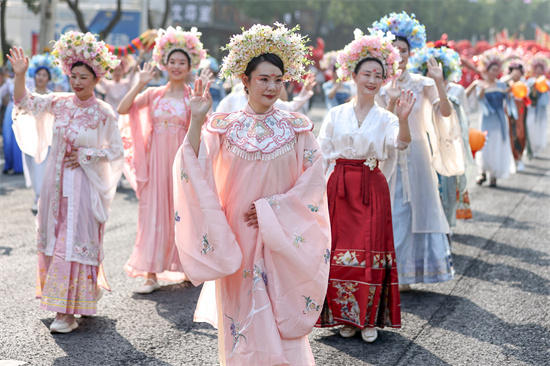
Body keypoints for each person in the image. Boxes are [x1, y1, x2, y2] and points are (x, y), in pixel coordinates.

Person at [172, 23, 330, 365]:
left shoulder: (297, 128)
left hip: (282, 236)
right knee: (243, 316)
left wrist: (275, 209)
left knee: (277, 312)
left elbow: (314, 181)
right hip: (238, 236)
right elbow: (195, 164)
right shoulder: (224, 127)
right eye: (263, 79)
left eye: (278, 79)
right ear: (245, 80)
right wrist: (197, 120)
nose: (272, 86)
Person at [7, 31, 123, 334]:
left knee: (73, 243)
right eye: (74, 76)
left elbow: (116, 151)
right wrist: (21, 75)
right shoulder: (58, 103)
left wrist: (87, 153)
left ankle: (66, 311)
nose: (78, 82)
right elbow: (24, 101)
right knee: (56, 240)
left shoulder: (103, 113)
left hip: (84, 188)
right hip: (55, 187)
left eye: (84, 77)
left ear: (96, 79)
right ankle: (73, 298)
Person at [315, 29, 414, 343]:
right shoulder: (335, 113)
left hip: (371, 186)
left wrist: (405, 117)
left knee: (369, 252)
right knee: (341, 253)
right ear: (353, 75)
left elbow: (400, 143)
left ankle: (368, 318)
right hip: (339, 187)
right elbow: (319, 153)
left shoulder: (386, 117)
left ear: (384, 81)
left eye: (378, 75)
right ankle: (346, 316)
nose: (372, 79)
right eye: (367, 73)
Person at [371, 12, 465, 291]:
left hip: (419, 155)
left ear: (412, 53)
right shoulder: (379, 85)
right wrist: (388, 102)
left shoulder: (423, 84)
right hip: (390, 155)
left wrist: (438, 81)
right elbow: (375, 124)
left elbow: (445, 112)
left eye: (404, 50)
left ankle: (412, 272)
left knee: (419, 209)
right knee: (394, 210)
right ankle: (395, 273)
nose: (399, 55)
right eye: (394, 50)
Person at [118, 26, 206, 293]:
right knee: (153, 213)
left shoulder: (194, 97)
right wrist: (141, 82)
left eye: (182, 62)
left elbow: (201, 131)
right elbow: (123, 109)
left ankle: (187, 267)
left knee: (184, 213)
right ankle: (150, 274)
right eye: (172, 61)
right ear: (164, 64)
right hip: (156, 163)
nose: (177, 66)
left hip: (182, 163)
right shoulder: (154, 94)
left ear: (191, 66)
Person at [408, 45, 474, 227]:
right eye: (427, 73)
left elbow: (460, 118)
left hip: (446, 141)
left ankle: (446, 227)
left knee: (448, 186)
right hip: (424, 144)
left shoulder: (456, 92)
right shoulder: (417, 90)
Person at [12, 53, 63, 213]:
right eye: (38, 74)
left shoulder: (53, 96)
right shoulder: (27, 93)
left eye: (44, 75)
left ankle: (41, 197)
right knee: (32, 166)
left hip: (47, 138)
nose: (41, 77)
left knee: (44, 167)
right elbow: (19, 104)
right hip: (29, 135)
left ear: (49, 77)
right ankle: (37, 194)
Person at [466, 48, 515, 187]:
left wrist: (509, 94)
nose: (494, 73)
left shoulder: (502, 85)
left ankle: (494, 175)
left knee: (497, 145)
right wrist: (481, 92)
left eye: (496, 70)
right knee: (485, 144)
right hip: (487, 119)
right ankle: (482, 171)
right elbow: (477, 101)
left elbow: (508, 102)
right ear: (486, 70)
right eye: (492, 70)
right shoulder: (481, 84)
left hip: (499, 120)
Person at [501, 51, 528, 171]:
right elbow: (500, 85)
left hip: (521, 111)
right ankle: (514, 158)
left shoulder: (525, 83)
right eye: (513, 71)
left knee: (521, 133)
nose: (516, 74)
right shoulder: (505, 82)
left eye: (518, 71)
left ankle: (520, 157)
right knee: (511, 134)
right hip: (509, 112)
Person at [526, 53, 550, 158]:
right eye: (537, 68)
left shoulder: (546, 82)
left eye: (541, 69)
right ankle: (530, 147)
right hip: (532, 108)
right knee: (531, 126)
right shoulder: (530, 81)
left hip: (541, 108)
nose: (539, 71)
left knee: (541, 127)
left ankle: (538, 147)